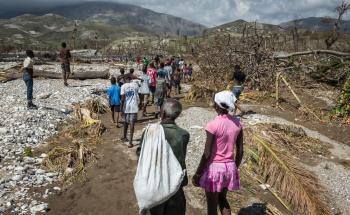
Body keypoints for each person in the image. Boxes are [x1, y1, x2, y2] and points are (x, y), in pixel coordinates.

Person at [192, 91, 243, 215]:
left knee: (212, 207)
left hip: (215, 169)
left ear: (216, 105)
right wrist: (234, 168)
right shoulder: (238, 124)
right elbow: (240, 151)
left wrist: (198, 174)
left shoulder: (213, 125)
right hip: (230, 167)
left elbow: (207, 153)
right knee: (222, 199)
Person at [137, 99, 190, 215]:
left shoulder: (149, 131)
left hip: (153, 185)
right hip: (174, 185)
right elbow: (180, 160)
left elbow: (140, 156)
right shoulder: (183, 135)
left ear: (163, 113)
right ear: (177, 114)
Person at [121, 75, 140, 148]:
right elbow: (138, 94)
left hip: (126, 107)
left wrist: (121, 109)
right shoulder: (135, 85)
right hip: (134, 106)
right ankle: (130, 142)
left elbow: (122, 99)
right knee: (132, 124)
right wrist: (139, 103)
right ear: (131, 79)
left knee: (126, 122)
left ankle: (125, 137)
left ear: (125, 79)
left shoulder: (123, 86)